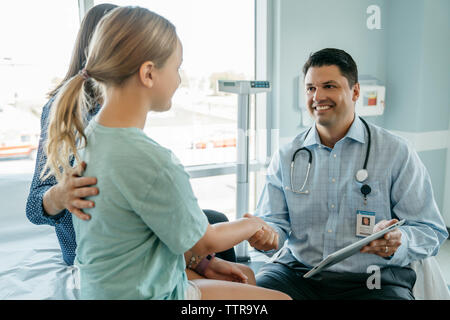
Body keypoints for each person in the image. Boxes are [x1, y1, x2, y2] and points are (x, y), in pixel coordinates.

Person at [41, 6, 290, 300]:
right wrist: (253, 224)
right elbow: (205, 241)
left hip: (101, 291)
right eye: (176, 67)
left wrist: (205, 262)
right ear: (148, 73)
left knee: (247, 281)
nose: (180, 79)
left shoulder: (88, 139)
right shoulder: (152, 160)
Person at [26, 3, 236, 267]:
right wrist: (60, 195)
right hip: (99, 249)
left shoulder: (119, 115)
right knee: (215, 233)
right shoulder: (66, 109)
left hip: (127, 233)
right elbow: (34, 207)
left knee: (214, 226)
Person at [249, 48, 448, 300]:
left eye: (329, 86)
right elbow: (274, 223)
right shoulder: (288, 155)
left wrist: (399, 241)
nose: (317, 96)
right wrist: (265, 236)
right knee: (254, 299)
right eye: (310, 88)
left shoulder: (396, 152)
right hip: (298, 272)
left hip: (372, 278)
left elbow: (430, 230)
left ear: (355, 91)